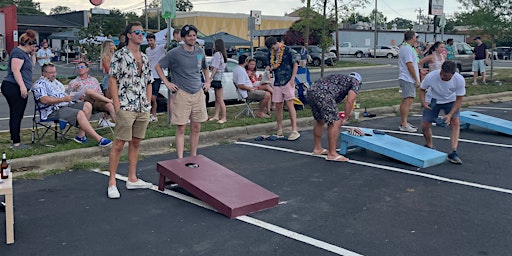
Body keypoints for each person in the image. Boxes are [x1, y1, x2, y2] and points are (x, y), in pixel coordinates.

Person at [107, 21, 153, 199]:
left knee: (136, 142)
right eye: (137, 32)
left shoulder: (145, 57)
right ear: (129, 35)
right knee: (119, 143)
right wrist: (117, 105)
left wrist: (148, 103)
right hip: (126, 104)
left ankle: (132, 178)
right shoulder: (119, 55)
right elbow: (112, 80)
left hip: (142, 105)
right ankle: (112, 181)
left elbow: (149, 81)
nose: (141, 35)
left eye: (142, 32)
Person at [155, 24, 210, 159]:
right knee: (181, 128)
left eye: (194, 36)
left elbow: (205, 67)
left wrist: (208, 81)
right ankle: (180, 158)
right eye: (189, 36)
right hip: (182, 93)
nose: (192, 38)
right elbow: (158, 66)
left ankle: (193, 156)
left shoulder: (200, 52)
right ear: (183, 37)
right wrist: (167, 83)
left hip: (197, 92)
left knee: (196, 127)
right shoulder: (175, 53)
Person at [31, 63, 113, 147]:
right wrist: (63, 99)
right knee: (79, 113)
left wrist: (74, 96)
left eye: (55, 72)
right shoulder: (39, 84)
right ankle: (99, 139)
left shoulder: (56, 83)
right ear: (44, 73)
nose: (54, 74)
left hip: (66, 104)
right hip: (52, 110)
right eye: (51, 73)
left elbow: (64, 94)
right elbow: (44, 100)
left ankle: (80, 136)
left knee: (87, 105)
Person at [306, 72, 362, 162]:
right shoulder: (355, 82)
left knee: (320, 121)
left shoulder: (340, 78)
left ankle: (317, 148)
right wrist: (346, 117)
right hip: (324, 93)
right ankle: (332, 154)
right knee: (335, 122)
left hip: (311, 91)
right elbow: (350, 101)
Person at [419, 61, 465, 164]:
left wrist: (450, 115)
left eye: (446, 76)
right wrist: (423, 102)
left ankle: (453, 152)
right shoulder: (432, 76)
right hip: (433, 99)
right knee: (425, 124)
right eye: (442, 74)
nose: (442, 77)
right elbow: (422, 90)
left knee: (455, 121)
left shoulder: (459, 80)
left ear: (453, 74)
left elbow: (459, 99)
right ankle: (429, 145)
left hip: (451, 100)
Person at [1, 29, 37, 149]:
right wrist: (22, 87)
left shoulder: (25, 54)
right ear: (28, 44)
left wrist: (33, 54)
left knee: (17, 114)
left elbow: (32, 65)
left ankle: (15, 139)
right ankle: (16, 142)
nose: (34, 47)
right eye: (33, 45)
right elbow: (16, 70)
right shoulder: (18, 53)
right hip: (13, 86)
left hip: (18, 86)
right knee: (16, 114)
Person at [264, 37, 300, 141]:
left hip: (287, 80)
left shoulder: (287, 50)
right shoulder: (271, 53)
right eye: (271, 48)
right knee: (278, 105)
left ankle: (294, 130)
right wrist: (269, 68)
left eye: (273, 47)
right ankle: (279, 129)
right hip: (277, 81)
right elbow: (270, 64)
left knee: (289, 104)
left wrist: (293, 79)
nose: (273, 49)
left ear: (276, 43)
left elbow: (295, 64)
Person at [68, 61, 116, 128]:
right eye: (78, 67)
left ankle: (120, 127)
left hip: (96, 103)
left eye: (82, 67)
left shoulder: (94, 80)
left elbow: (100, 94)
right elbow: (69, 97)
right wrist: (74, 90)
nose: (80, 69)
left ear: (87, 69)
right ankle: (111, 101)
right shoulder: (73, 82)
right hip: (84, 104)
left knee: (109, 105)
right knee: (89, 92)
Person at [397, 30, 420, 133]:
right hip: (407, 78)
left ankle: (404, 122)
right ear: (412, 38)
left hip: (407, 77)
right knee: (408, 100)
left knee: (406, 100)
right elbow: (409, 65)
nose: (416, 39)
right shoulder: (406, 48)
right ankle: (404, 124)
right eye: (416, 37)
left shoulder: (407, 48)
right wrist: (416, 79)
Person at [145, 32, 167, 122]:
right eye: (148, 40)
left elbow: (167, 45)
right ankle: (150, 115)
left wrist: (167, 37)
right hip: (149, 75)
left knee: (153, 97)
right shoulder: (147, 50)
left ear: (155, 40)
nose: (150, 42)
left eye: (151, 40)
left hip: (157, 76)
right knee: (148, 97)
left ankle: (154, 115)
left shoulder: (160, 48)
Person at [208, 39, 228, 124]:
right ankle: (216, 115)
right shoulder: (222, 55)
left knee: (219, 98)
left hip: (217, 78)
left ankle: (224, 117)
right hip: (221, 77)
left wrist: (210, 77)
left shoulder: (217, 54)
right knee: (217, 98)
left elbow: (215, 67)